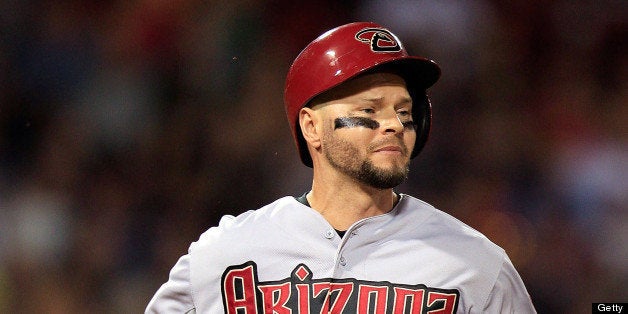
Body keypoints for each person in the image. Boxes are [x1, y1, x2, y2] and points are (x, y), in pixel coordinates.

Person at [146, 22, 536, 313]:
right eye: (369, 110)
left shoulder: (475, 264)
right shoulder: (227, 253)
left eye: (403, 111)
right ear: (311, 127)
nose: (395, 124)